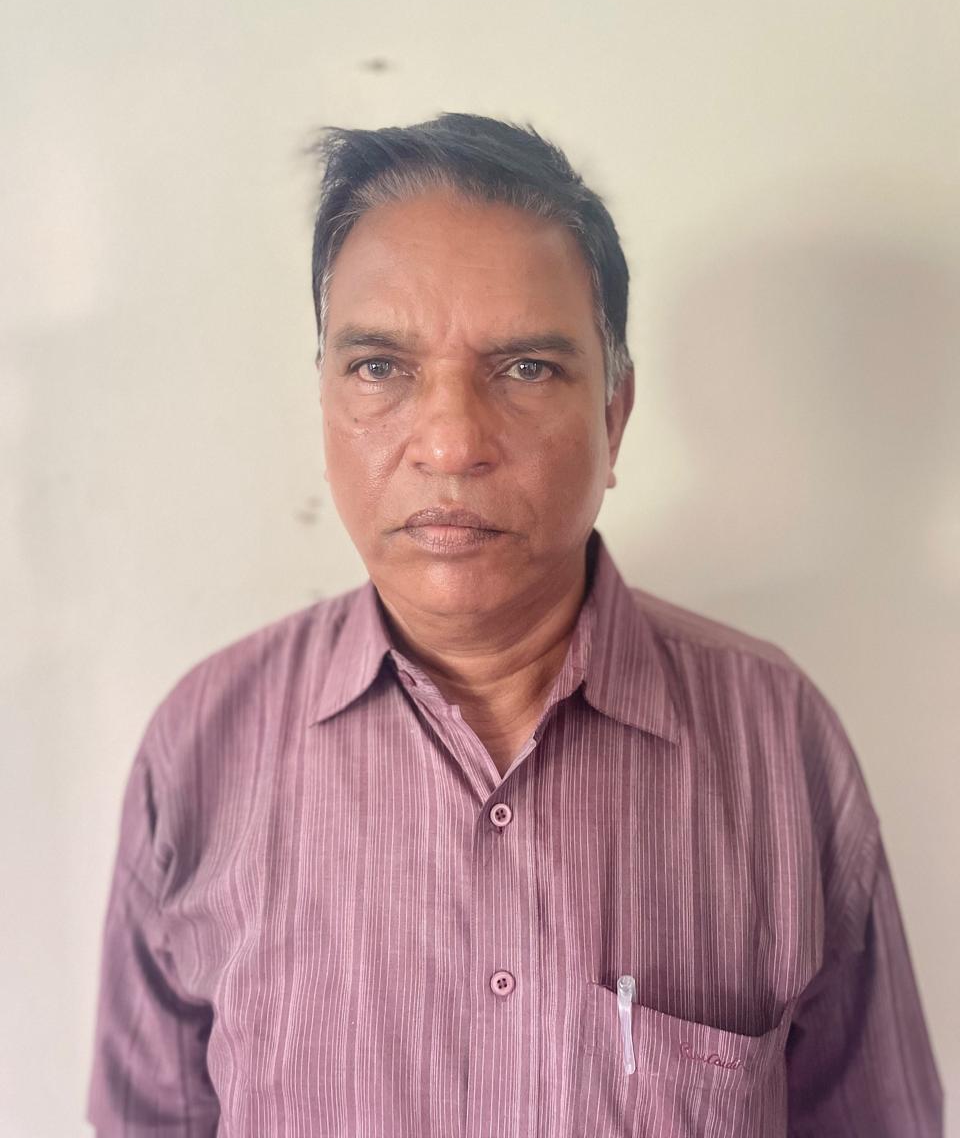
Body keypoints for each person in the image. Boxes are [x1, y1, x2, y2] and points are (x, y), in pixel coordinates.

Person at [86, 113, 943, 1136]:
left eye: (526, 368)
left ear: (614, 415)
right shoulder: (202, 746)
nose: (450, 443)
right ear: (323, 401)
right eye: (380, 367)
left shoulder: (776, 740)